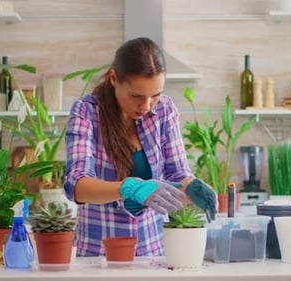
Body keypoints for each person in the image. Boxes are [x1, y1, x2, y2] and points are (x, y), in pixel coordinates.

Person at [64, 37, 216, 257]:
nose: (146, 106)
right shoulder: (86, 113)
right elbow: (76, 185)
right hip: (99, 254)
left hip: (153, 251)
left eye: (155, 95)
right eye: (136, 96)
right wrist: (128, 188)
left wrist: (191, 187)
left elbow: (177, 173)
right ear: (114, 78)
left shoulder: (164, 111)